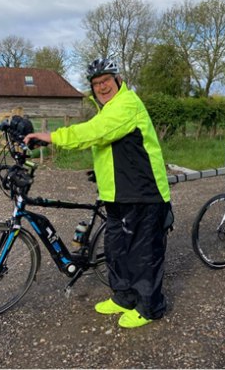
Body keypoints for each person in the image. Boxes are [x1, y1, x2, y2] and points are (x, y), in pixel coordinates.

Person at [24, 58, 171, 328]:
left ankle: (150, 307)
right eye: (96, 84)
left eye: (106, 81)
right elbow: (111, 149)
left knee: (143, 253)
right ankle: (124, 297)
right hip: (117, 193)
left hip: (143, 191)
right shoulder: (107, 109)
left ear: (118, 79)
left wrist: (51, 136)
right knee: (116, 249)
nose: (102, 87)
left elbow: (96, 133)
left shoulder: (127, 104)